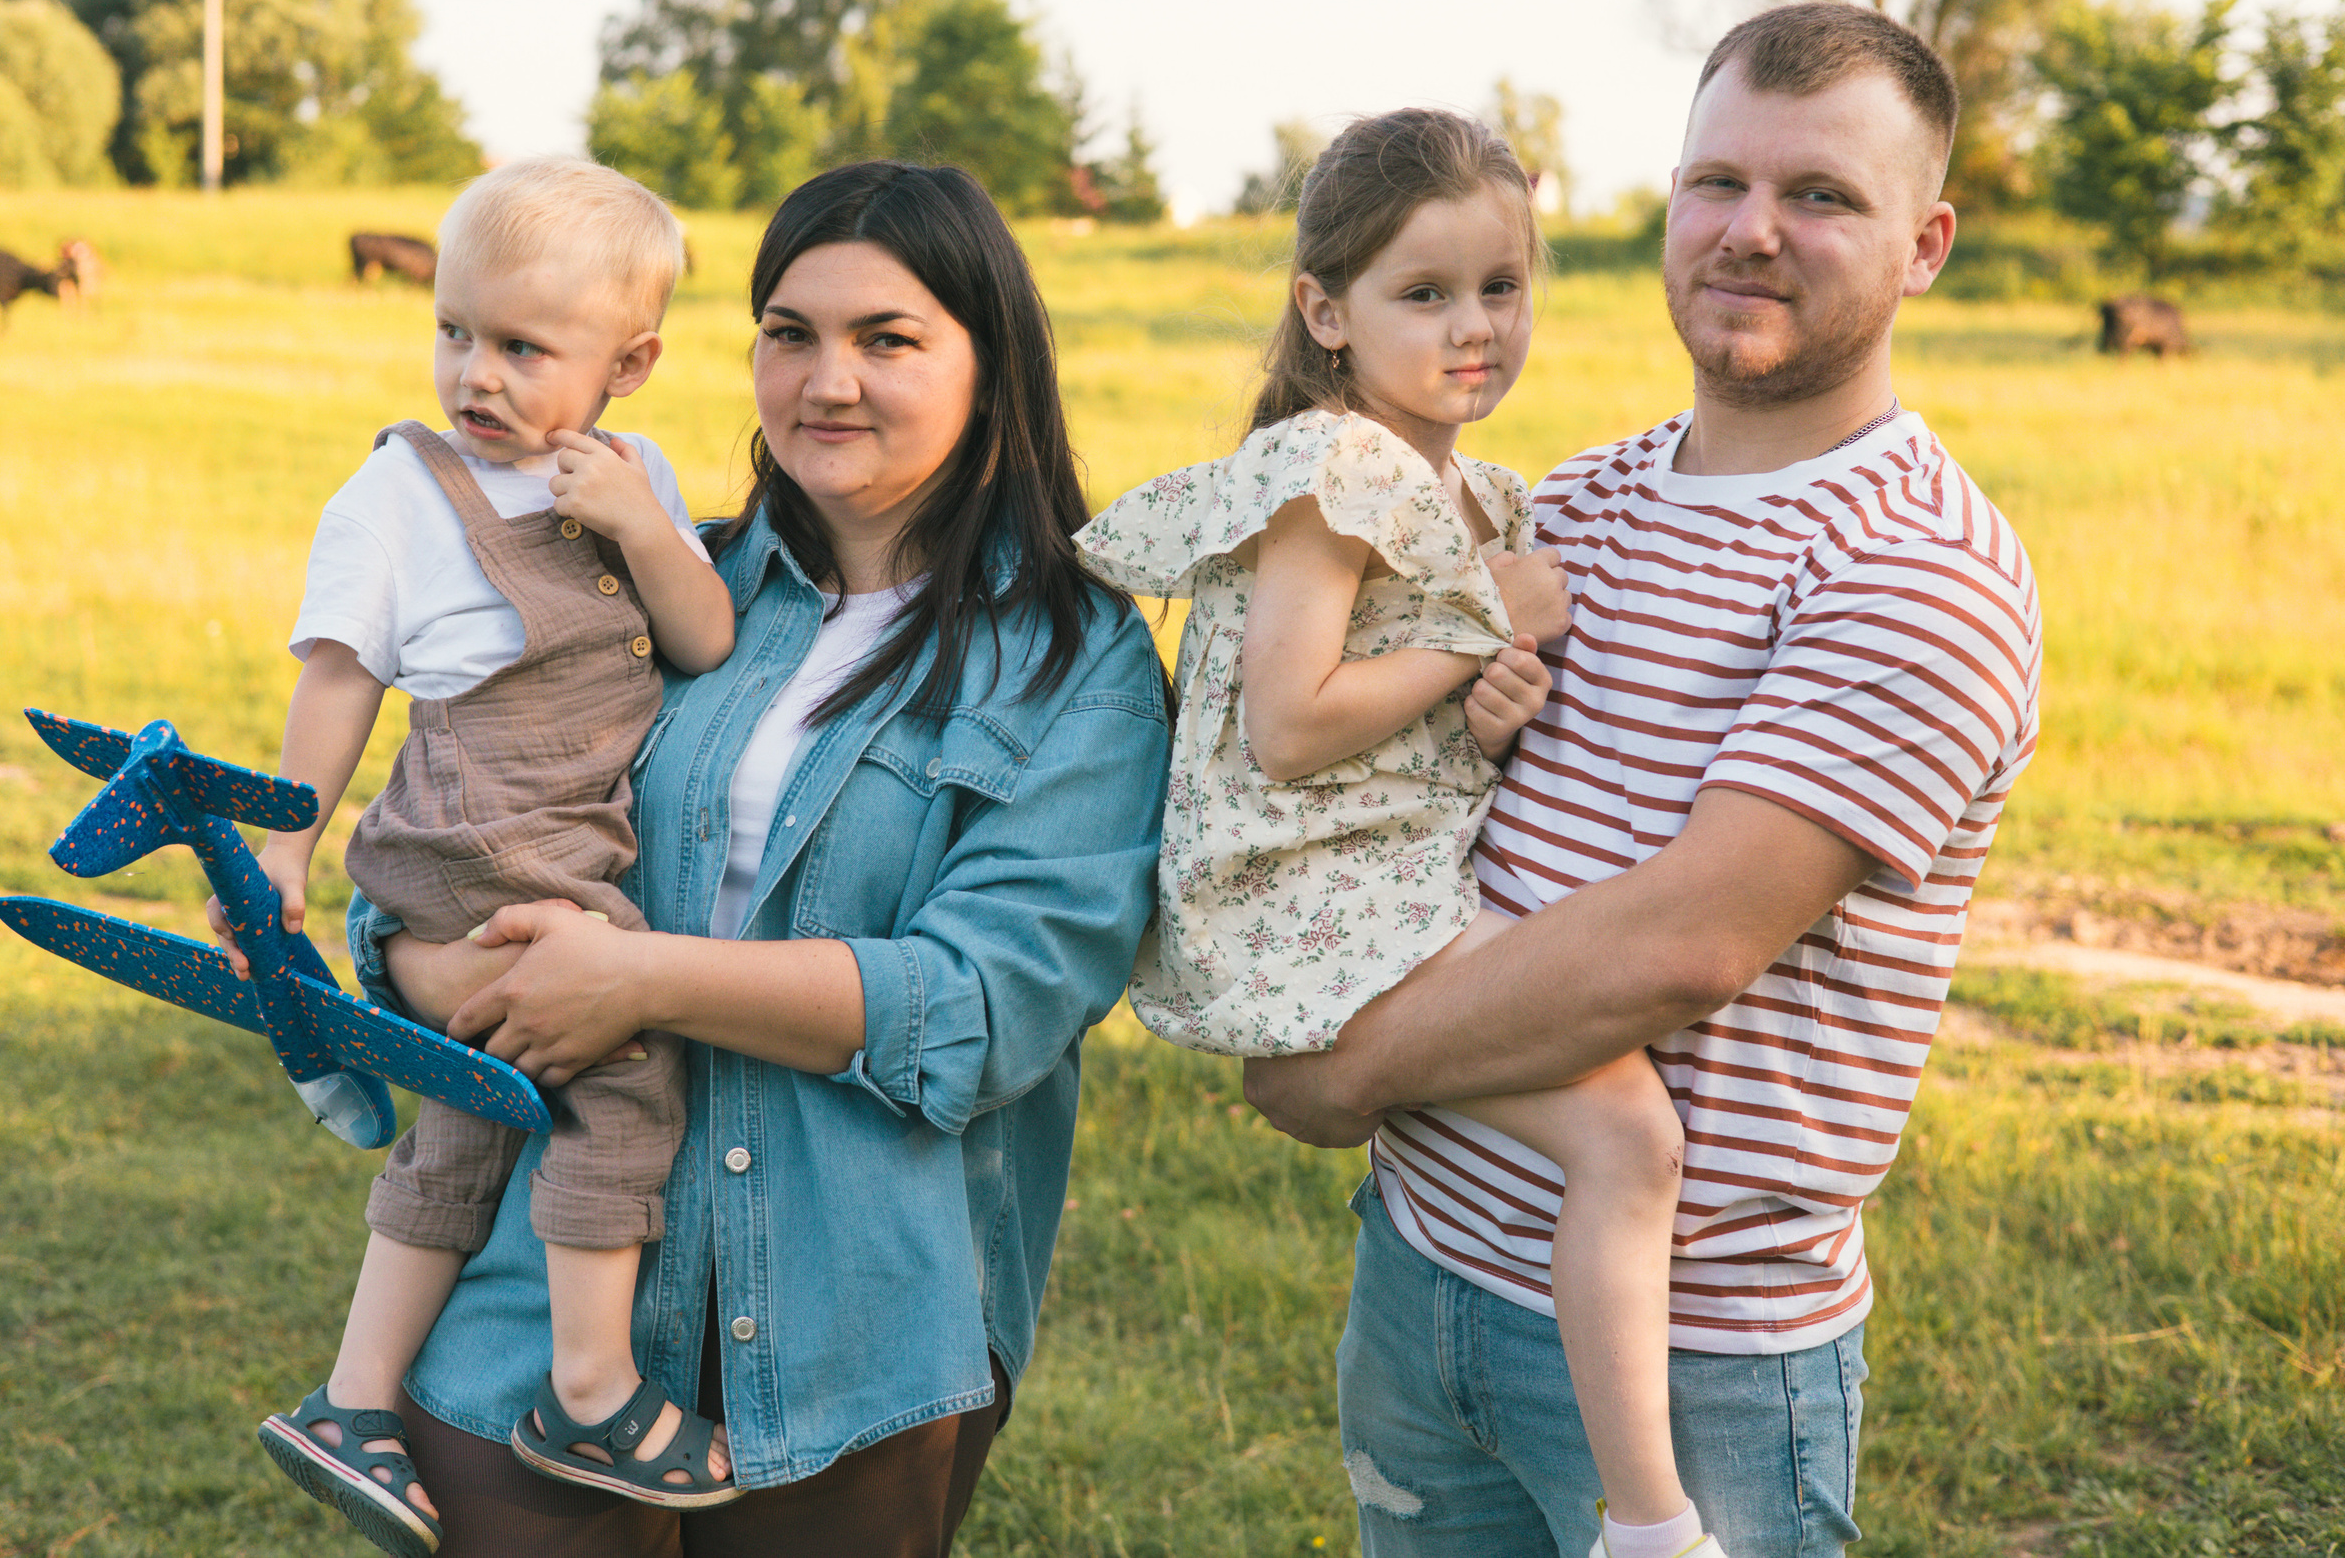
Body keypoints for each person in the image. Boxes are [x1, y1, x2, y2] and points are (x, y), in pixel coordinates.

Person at [1245, 3, 2044, 1558]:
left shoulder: (1916, 570)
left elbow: (1681, 944)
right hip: (1422, 1277)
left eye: (1822, 196)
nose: (1750, 233)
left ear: (1926, 243)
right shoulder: (1580, 501)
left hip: (1698, 1359)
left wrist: (1342, 1067)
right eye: (1716, 184)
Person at [334, 159, 1171, 1557]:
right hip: (540, 1297)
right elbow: (457, 835)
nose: (826, 380)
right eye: (791, 333)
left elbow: (984, 1006)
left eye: (887, 339)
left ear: (991, 363)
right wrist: (420, 956)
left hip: (856, 1325)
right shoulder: (654, 581)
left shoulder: (1074, 663)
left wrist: (637, 981)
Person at [1078, 109, 1722, 1556]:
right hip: (1304, 898)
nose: (1474, 326)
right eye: (1423, 294)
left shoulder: (1475, 490)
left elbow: (1404, 715)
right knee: (1631, 1136)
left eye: (1502, 287)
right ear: (1326, 309)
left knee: (1622, 1130)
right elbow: (1291, 724)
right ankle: (1653, 1525)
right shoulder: (1341, 471)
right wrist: (1487, 619)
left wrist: (1483, 707)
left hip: (1380, 874)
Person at [224, 157, 745, 1556]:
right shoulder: (403, 491)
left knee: (476, 1103)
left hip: (564, 856)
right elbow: (338, 679)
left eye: (522, 347)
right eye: (455, 331)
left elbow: (703, 642)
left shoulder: (638, 480)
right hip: (472, 851)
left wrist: (646, 527)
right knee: (618, 1063)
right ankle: (589, 1387)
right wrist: (286, 846)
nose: (477, 373)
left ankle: (352, 1398)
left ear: (629, 363)